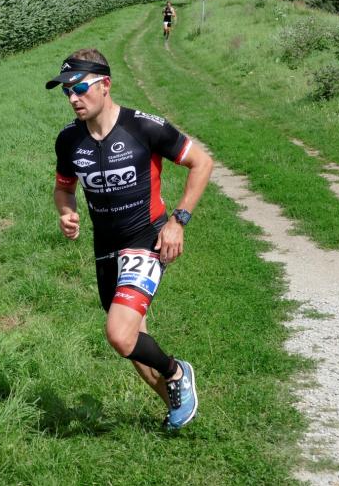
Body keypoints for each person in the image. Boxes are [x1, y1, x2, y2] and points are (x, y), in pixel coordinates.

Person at [46, 48, 213, 430]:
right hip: (105, 248)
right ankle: (175, 404)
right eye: (67, 91)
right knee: (134, 338)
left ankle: (177, 372)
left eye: (80, 88)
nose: (73, 98)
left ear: (105, 84)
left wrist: (178, 221)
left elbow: (202, 163)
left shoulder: (143, 127)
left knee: (120, 335)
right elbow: (64, 188)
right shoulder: (68, 140)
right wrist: (66, 212)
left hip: (146, 239)